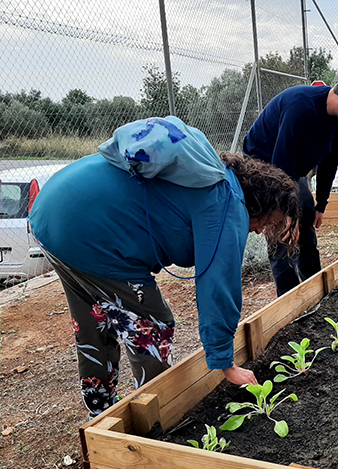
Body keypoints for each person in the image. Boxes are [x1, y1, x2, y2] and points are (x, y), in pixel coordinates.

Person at [29, 125, 301, 419]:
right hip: (86, 232)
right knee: (153, 324)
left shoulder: (212, 174)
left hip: (51, 211)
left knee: (95, 315)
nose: (260, 230)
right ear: (259, 203)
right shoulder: (226, 204)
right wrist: (226, 363)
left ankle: (101, 408)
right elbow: (218, 285)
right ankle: (156, 414)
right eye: (267, 222)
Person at [243, 70, 338, 296]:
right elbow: (281, 160)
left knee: (305, 216)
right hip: (264, 164)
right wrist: (285, 211)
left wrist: (320, 205)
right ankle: (288, 298)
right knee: (281, 229)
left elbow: (330, 162)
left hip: (292, 167)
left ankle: (315, 291)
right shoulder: (302, 106)